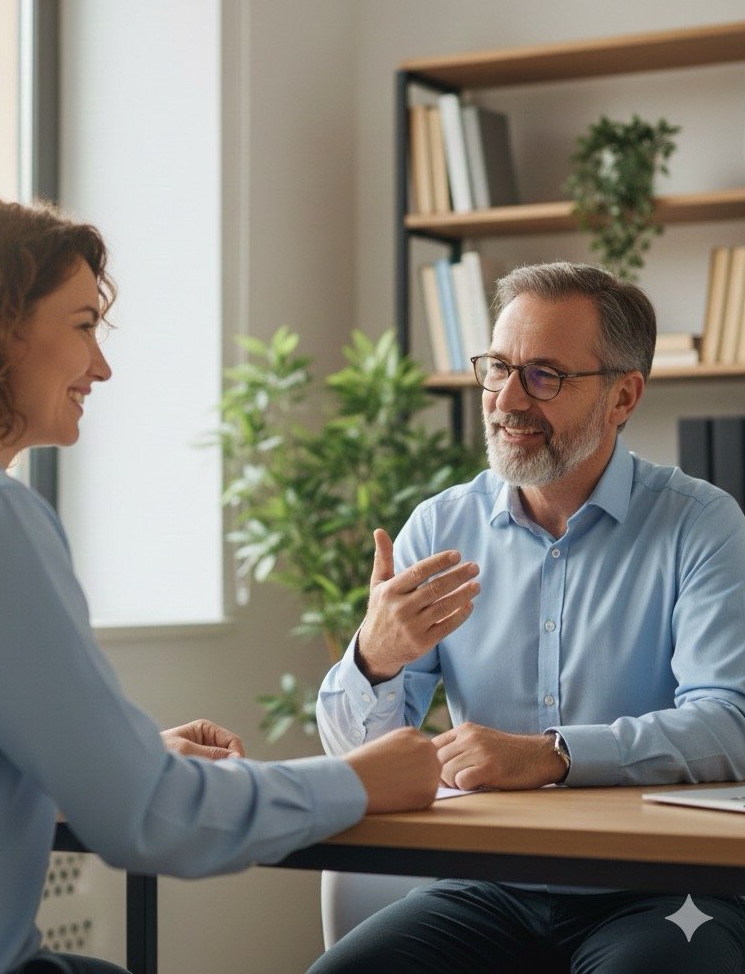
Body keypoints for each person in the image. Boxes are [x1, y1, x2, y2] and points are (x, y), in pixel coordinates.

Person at [0, 193, 442, 974]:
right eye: (82, 326)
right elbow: (152, 821)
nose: (101, 365)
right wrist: (353, 781)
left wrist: (108, 762)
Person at [309, 262, 745, 974]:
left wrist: (553, 755)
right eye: (498, 368)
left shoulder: (701, 526)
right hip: (490, 885)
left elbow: (732, 723)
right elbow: (361, 757)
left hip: (662, 886)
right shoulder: (441, 526)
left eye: (544, 375)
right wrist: (374, 657)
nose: (507, 399)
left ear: (623, 396)